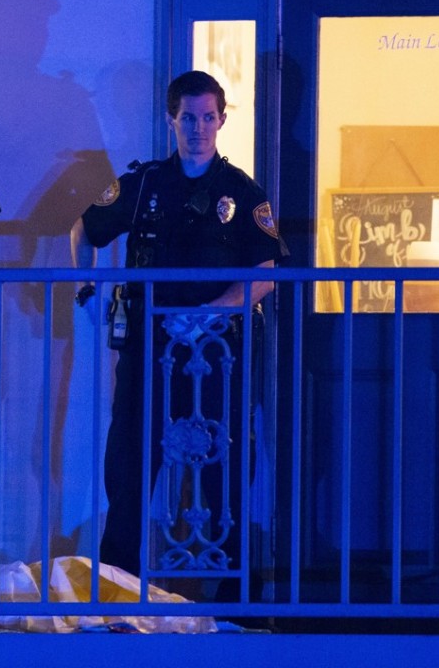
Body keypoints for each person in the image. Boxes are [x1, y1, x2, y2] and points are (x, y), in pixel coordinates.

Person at [70, 71, 286, 586]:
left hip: (217, 351)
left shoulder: (241, 191)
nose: (199, 128)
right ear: (172, 121)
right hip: (150, 344)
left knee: (225, 465)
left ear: (222, 120)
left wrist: (212, 311)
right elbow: (83, 229)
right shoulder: (144, 183)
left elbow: (266, 275)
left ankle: (237, 601)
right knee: (128, 460)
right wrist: (88, 291)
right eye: (188, 118)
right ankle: (117, 587)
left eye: (208, 117)